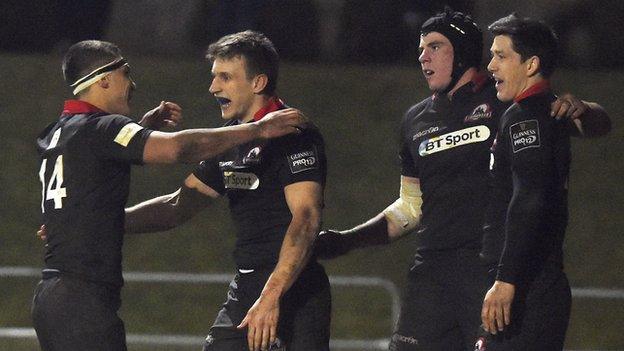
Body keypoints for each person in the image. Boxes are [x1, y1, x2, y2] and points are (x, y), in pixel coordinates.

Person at [313, 8, 611, 351]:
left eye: (435, 46)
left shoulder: (505, 102)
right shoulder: (415, 120)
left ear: (464, 50)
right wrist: (349, 240)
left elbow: (586, 123)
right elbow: (411, 207)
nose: (422, 56)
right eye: (420, 48)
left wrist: (583, 109)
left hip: (489, 271)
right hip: (432, 274)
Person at [32, 39, 307, 351]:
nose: (132, 82)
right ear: (104, 79)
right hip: (82, 299)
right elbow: (178, 148)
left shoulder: (58, 130)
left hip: (52, 296)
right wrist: (259, 129)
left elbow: (97, 165)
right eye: (125, 72)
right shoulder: (104, 129)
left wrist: (139, 131)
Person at [122, 31, 330, 351]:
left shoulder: (293, 132)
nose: (213, 87)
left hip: (293, 289)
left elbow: (306, 217)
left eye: (225, 77)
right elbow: (178, 205)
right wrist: (104, 221)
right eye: (214, 76)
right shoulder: (231, 139)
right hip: (247, 288)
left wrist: (271, 296)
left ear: (258, 82)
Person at [476, 14, 573, 350]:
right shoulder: (545, 111)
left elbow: (530, 197)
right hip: (528, 283)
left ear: (532, 64)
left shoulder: (525, 117)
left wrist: (506, 279)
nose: (490, 65)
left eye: (501, 56)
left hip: (526, 287)